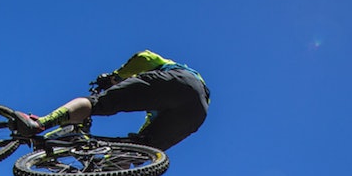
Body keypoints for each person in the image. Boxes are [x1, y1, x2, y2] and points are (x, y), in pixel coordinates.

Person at [14, 49, 210, 151]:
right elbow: (151, 122)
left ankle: (39, 123)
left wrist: (115, 77)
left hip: (182, 81)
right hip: (198, 113)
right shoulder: (157, 107)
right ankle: (102, 167)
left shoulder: (170, 68)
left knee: (98, 103)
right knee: (139, 148)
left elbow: (145, 57)